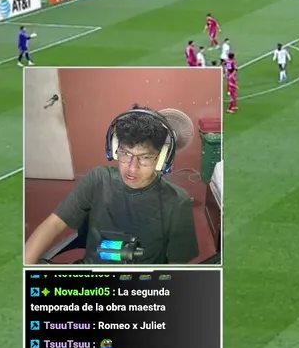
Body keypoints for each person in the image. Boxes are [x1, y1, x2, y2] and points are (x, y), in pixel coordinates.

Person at [23, 106, 199, 265]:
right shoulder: (98, 180)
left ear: (161, 158)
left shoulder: (177, 202)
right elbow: (53, 224)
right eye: (125, 153)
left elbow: (177, 266)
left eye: (145, 157)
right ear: (114, 148)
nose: (132, 168)